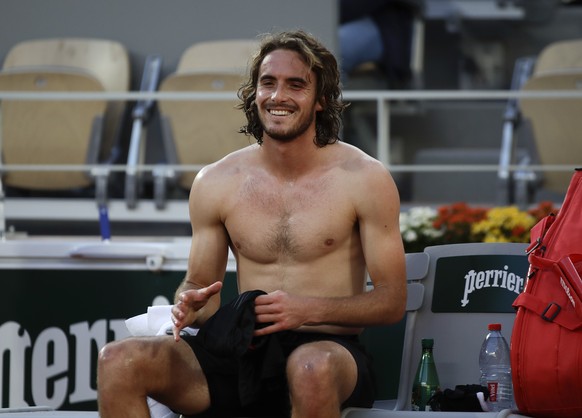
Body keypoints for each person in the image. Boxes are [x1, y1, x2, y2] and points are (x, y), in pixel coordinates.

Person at [97, 30, 407, 418]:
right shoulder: (216, 180)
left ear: (321, 100)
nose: (278, 96)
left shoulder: (365, 178)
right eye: (268, 83)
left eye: (296, 85)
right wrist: (187, 305)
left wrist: (306, 310)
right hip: (242, 350)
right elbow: (200, 288)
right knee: (118, 360)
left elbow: (392, 301)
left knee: (311, 368)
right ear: (254, 93)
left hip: (329, 350)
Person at [339, 0, 416, 87]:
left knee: (332, 46)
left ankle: (332, 94)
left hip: (385, 24)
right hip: (345, 18)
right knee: (326, 40)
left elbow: (346, 8)